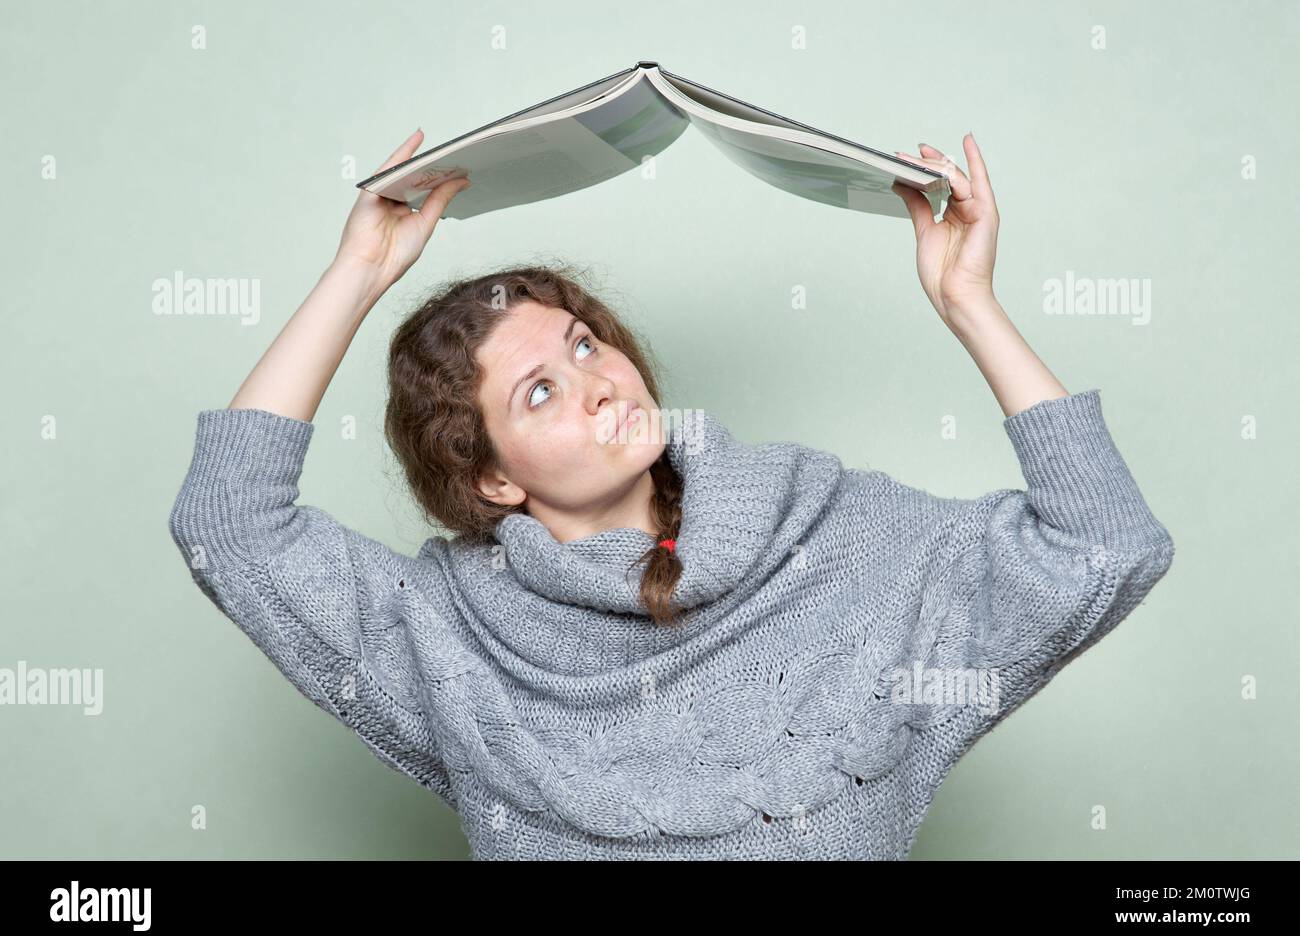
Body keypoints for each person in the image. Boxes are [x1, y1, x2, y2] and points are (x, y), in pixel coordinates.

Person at [168, 129, 1175, 860]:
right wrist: (357, 271)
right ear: (494, 477)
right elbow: (227, 522)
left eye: (583, 342)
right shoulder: (446, 641)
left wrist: (969, 303)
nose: (598, 378)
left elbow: (1105, 547)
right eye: (540, 392)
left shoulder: (836, 543)